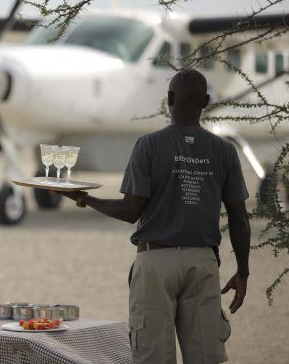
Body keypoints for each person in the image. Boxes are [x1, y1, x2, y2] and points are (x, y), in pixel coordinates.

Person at [62, 69, 250, 363]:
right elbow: (240, 218)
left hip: (155, 262)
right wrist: (243, 271)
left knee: (153, 357)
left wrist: (86, 199)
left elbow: (130, 211)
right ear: (206, 102)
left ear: (169, 99)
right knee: (206, 357)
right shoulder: (224, 151)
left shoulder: (149, 145)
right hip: (203, 263)